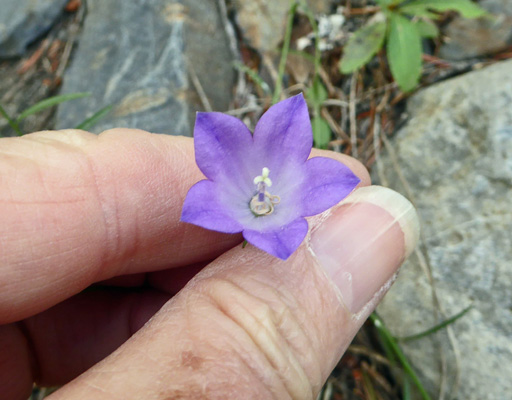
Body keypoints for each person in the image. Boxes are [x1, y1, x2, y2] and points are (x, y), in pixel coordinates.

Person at [0, 128, 419, 399]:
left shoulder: (313, 189)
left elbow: (333, 182)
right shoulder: (209, 203)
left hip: (276, 228)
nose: (263, 193)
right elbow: (204, 190)